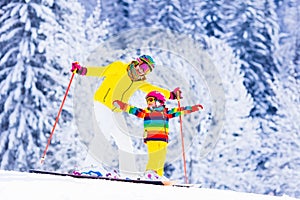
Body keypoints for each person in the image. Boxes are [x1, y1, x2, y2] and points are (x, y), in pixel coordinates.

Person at [71, 55, 182, 177]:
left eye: (147, 70)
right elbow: (101, 71)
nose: (143, 71)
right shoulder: (119, 67)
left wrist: (171, 95)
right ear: (137, 62)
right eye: (144, 66)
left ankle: (128, 173)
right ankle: (89, 167)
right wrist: (81, 70)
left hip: (116, 111)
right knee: (103, 134)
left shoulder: (139, 82)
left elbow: (152, 89)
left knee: (125, 141)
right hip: (102, 104)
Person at [113, 91, 203, 179]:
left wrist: (194, 108)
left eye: (151, 100)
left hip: (163, 139)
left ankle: (158, 176)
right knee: (154, 157)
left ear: (159, 101)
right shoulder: (146, 112)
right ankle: (149, 174)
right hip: (152, 138)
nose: (149, 102)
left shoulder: (166, 113)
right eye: (147, 100)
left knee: (161, 158)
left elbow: (180, 111)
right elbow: (133, 110)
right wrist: (122, 105)